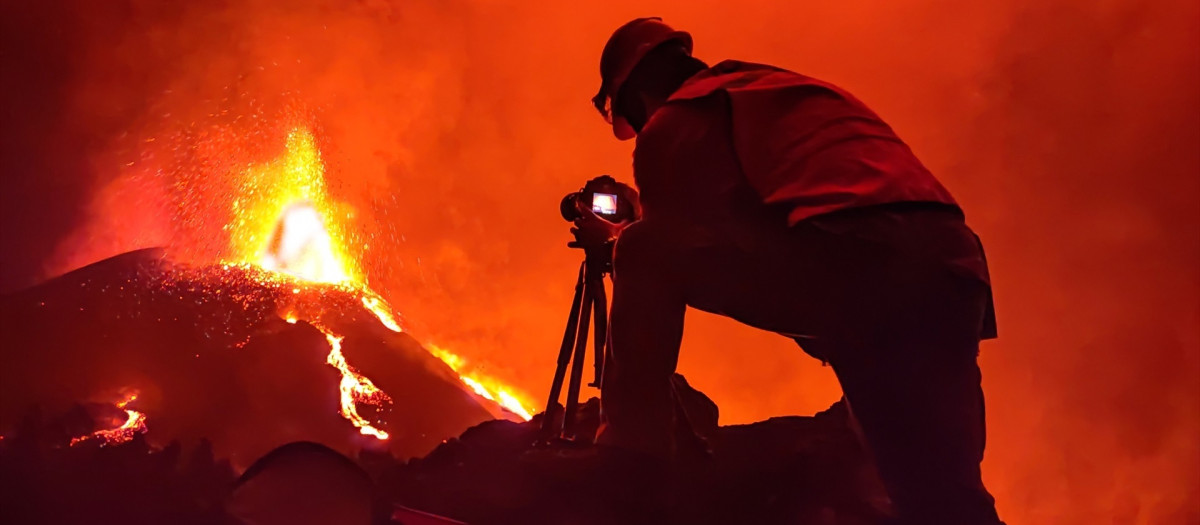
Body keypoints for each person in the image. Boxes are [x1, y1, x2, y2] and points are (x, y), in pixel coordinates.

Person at [576, 17, 1004, 525]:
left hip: (855, 266)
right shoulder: (775, 90)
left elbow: (683, 241)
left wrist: (620, 239)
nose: (643, 128)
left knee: (642, 250)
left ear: (642, 90)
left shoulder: (683, 114)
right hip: (952, 272)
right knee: (938, 494)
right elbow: (768, 210)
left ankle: (629, 472)